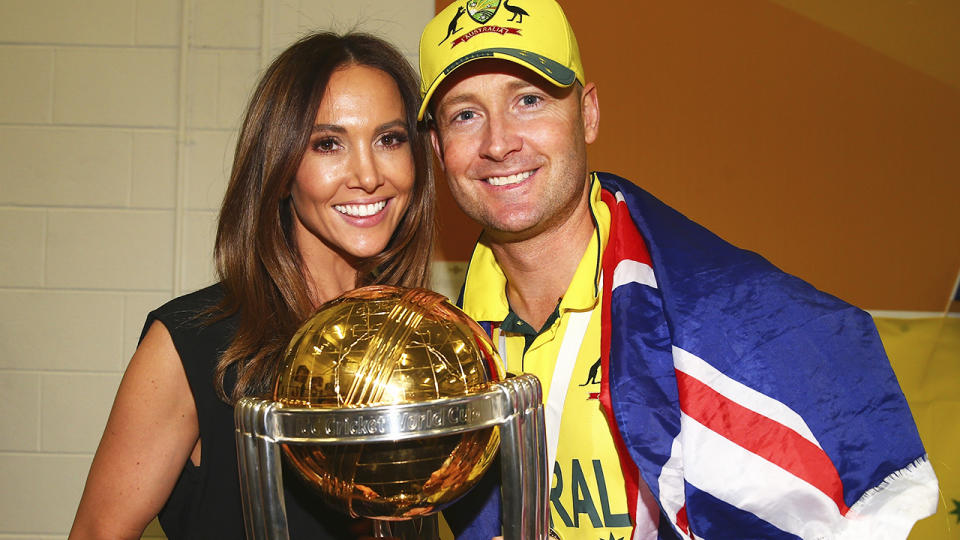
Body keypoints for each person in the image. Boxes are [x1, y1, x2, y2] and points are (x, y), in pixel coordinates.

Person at [417, 1, 939, 538]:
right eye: (465, 114)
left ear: (588, 114)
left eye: (529, 100)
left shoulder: (718, 322)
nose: (499, 142)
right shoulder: (434, 356)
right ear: (437, 147)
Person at [68, 32, 434, 539]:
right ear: (282, 171)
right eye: (328, 144)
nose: (368, 174)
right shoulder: (194, 343)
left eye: (389, 140)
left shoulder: (426, 346)